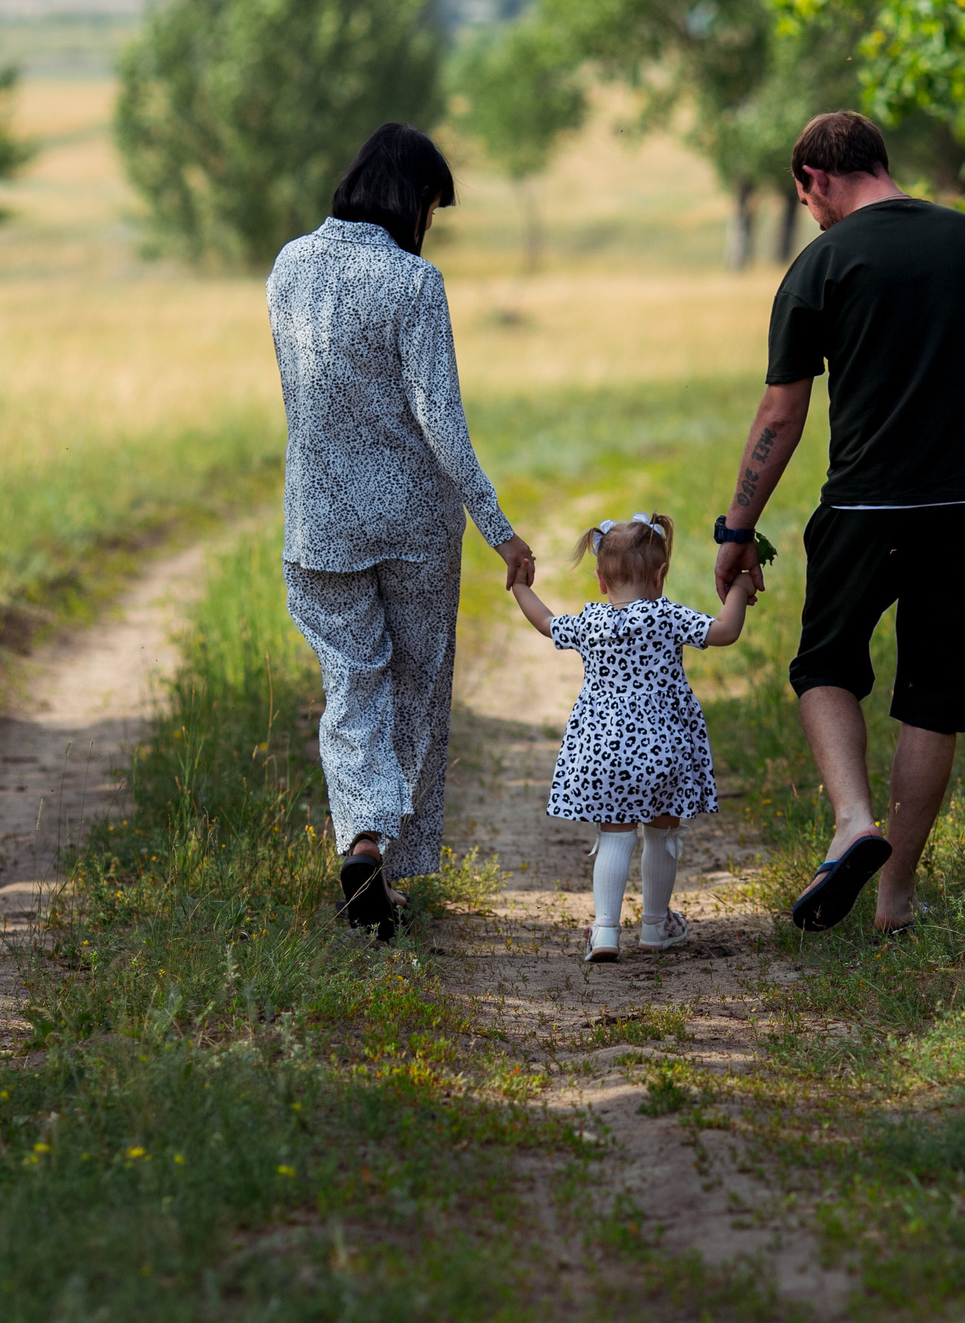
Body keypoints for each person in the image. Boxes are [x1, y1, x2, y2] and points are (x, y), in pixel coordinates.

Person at [711, 111, 965, 935]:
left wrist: (736, 527)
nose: (812, 210)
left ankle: (853, 819)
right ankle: (894, 902)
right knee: (935, 697)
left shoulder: (820, 262)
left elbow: (780, 414)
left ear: (817, 180)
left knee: (824, 665)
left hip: (864, 507)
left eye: (806, 196)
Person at [268, 122, 536, 943]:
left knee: (353, 686)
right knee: (415, 690)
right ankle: (383, 852)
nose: (430, 225)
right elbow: (443, 426)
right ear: (412, 199)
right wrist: (500, 529)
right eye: (432, 208)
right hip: (415, 525)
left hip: (320, 523)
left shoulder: (287, 267)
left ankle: (361, 838)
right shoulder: (415, 283)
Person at [510, 512, 754, 962]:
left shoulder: (591, 621)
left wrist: (521, 586)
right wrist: (739, 587)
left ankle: (604, 931)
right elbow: (726, 631)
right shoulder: (668, 617)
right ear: (661, 575)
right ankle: (656, 927)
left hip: (603, 754)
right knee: (661, 836)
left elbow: (545, 622)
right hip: (662, 752)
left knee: (615, 836)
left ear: (601, 581)